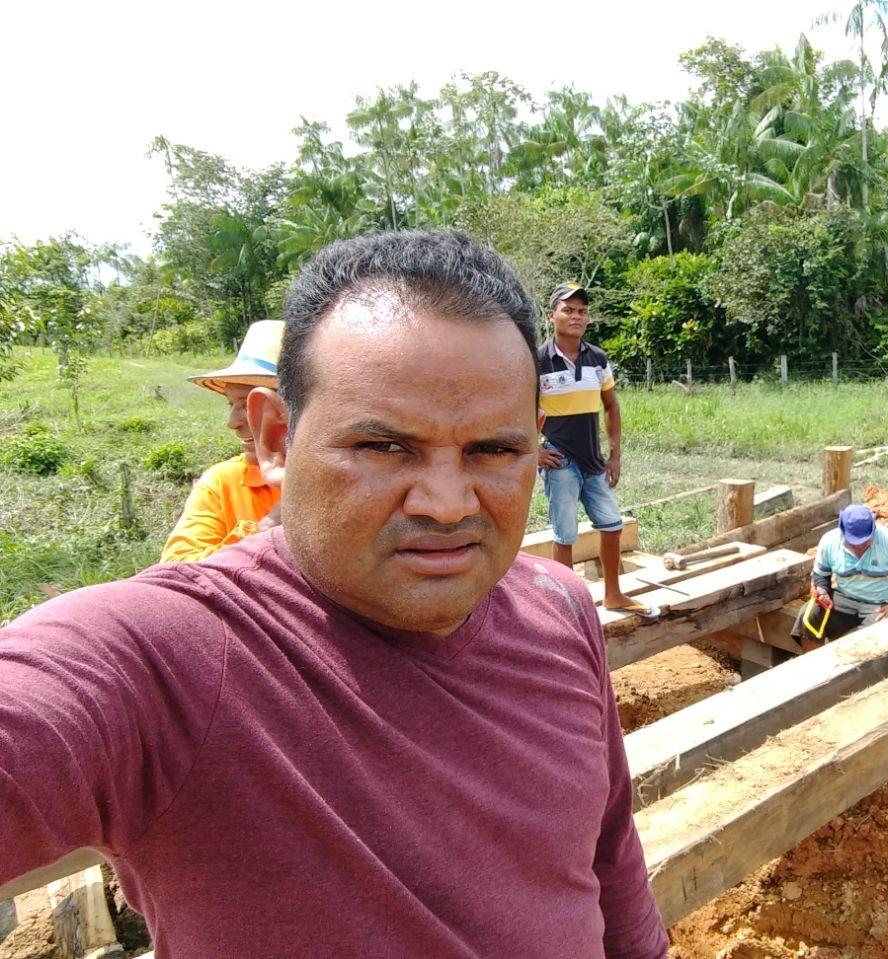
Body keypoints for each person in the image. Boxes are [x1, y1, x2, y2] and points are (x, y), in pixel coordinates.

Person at [0, 231, 668, 959]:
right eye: (384, 447)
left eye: (493, 450)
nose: (447, 502)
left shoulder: (561, 604)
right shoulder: (174, 660)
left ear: (536, 446)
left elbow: (609, 856)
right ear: (276, 439)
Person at [537, 281, 657, 617]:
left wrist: (615, 454)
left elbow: (611, 407)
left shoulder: (597, 358)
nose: (576, 316)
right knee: (565, 534)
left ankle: (614, 595)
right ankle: (567, 603)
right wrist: (534, 451)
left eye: (581, 311)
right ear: (552, 315)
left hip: (594, 461)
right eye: (568, 309)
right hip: (559, 459)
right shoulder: (538, 361)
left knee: (612, 525)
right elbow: (515, 408)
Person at [160, 320, 285, 562]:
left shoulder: (345, 477)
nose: (233, 422)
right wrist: (269, 527)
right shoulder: (222, 484)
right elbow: (177, 572)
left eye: (253, 404)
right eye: (233, 404)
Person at [791, 504, 888, 650]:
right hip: (845, 599)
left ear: (873, 529)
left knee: (868, 645)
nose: (858, 547)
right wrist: (823, 590)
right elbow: (821, 574)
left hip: (882, 605)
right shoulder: (830, 541)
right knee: (809, 616)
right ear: (842, 530)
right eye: (853, 542)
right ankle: (815, 665)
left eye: (864, 541)